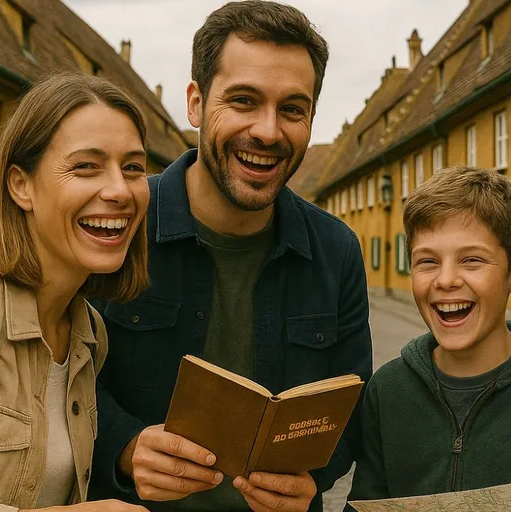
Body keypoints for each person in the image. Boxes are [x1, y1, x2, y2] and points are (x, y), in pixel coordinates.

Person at [88, 2, 372, 511]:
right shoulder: (119, 225)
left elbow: (352, 410)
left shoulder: (338, 251)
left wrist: (316, 477)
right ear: (196, 103)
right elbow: (58, 375)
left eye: (292, 109)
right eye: (243, 100)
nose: (267, 131)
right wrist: (124, 446)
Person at [0, 73, 150, 511]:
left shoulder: (88, 333)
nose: (120, 190)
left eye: (133, 167)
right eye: (86, 166)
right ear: (21, 185)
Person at [348, 167, 511, 511]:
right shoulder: (387, 390)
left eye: (471, 260)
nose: (446, 280)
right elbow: (365, 501)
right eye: (427, 261)